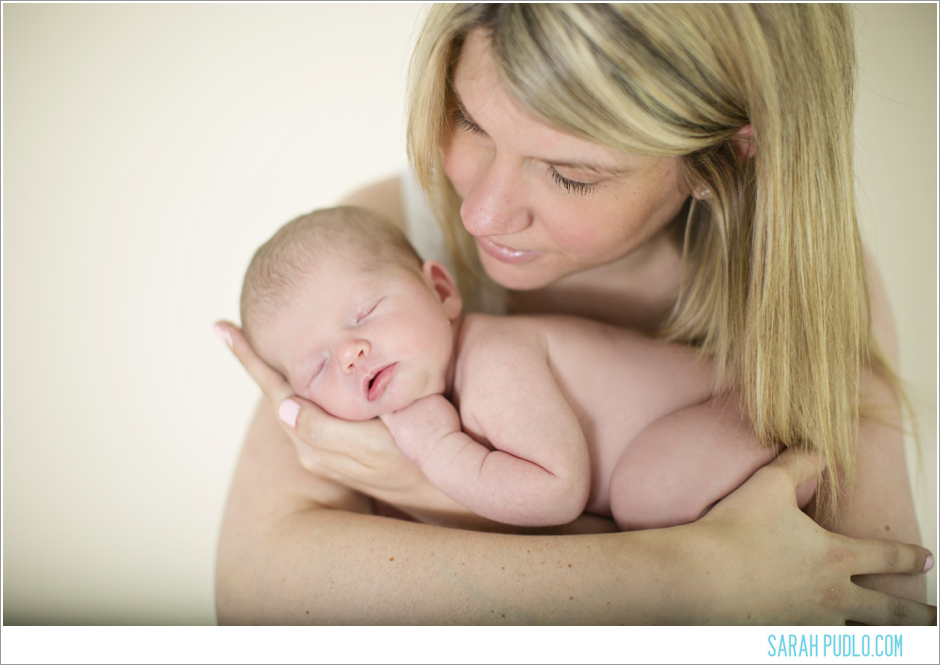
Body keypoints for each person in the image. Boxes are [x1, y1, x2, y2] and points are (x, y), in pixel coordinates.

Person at [213, 4, 935, 624]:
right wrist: (692, 573)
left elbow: (876, 623)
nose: (479, 212)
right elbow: (257, 590)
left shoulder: (806, 292)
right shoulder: (374, 246)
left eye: (570, 173)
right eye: (469, 119)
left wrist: (421, 489)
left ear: (725, 156)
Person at [239, 206, 789, 531]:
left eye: (364, 313)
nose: (349, 353)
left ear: (441, 290)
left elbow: (556, 492)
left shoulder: (493, 361)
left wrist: (436, 453)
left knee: (649, 495)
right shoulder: (441, 392)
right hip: (705, 427)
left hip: (726, 408)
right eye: (316, 368)